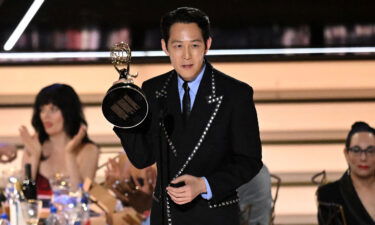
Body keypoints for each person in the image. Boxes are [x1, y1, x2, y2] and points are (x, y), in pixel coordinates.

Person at [113, 7, 262, 225]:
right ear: (165, 47)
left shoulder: (234, 94)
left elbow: (249, 160)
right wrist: (123, 111)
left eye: (194, 45)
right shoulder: (154, 90)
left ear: (207, 45)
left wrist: (204, 185)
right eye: (178, 46)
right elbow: (143, 157)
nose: (186, 55)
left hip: (214, 216)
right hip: (166, 216)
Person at [20, 83, 100, 195]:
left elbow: (81, 196)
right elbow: (22, 196)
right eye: (42, 110)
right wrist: (34, 157)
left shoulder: (89, 150)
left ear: (69, 112)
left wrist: (70, 154)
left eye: (53, 109)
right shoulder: (34, 144)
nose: (45, 116)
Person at [316, 121, 375, 225]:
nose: (363, 158)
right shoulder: (328, 195)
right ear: (346, 154)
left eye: (370, 151)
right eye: (356, 150)